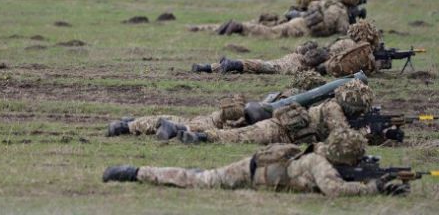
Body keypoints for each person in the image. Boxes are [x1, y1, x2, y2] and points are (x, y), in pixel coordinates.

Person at [102, 128, 410, 197]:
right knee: (198, 180)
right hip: (248, 173)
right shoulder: (318, 162)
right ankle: (134, 172)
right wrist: (372, 189)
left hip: (260, 172)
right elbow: (334, 190)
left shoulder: (323, 157)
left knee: (201, 176)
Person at [106, 71, 326, 139]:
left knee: (193, 121)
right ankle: (173, 130)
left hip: (237, 116)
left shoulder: (279, 95)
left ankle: (129, 125)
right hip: (253, 125)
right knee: (198, 127)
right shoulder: (303, 104)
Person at [177, 79, 374, 145]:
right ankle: (193, 133)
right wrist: (365, 134)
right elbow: (342, 135)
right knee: (235, 136)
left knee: (235, 131)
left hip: (289, 134)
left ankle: (190, 130)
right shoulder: (333, 108)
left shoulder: (335, 106)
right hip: (279, 130)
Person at [192, 20, 380, 77]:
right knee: (268, 67)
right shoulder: (353, 48)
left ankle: (207, 67)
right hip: (304, 65)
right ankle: (234, 64)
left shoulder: (347, 43)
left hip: (302, 58)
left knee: (268, 64)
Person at [188, 0, 366, 38]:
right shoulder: (340, 10)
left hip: (301, 22)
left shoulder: (328, 4)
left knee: (271, 28)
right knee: (272, 33)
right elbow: (344, 31)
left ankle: (207, 28)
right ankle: (240, 27)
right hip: (302, 27)